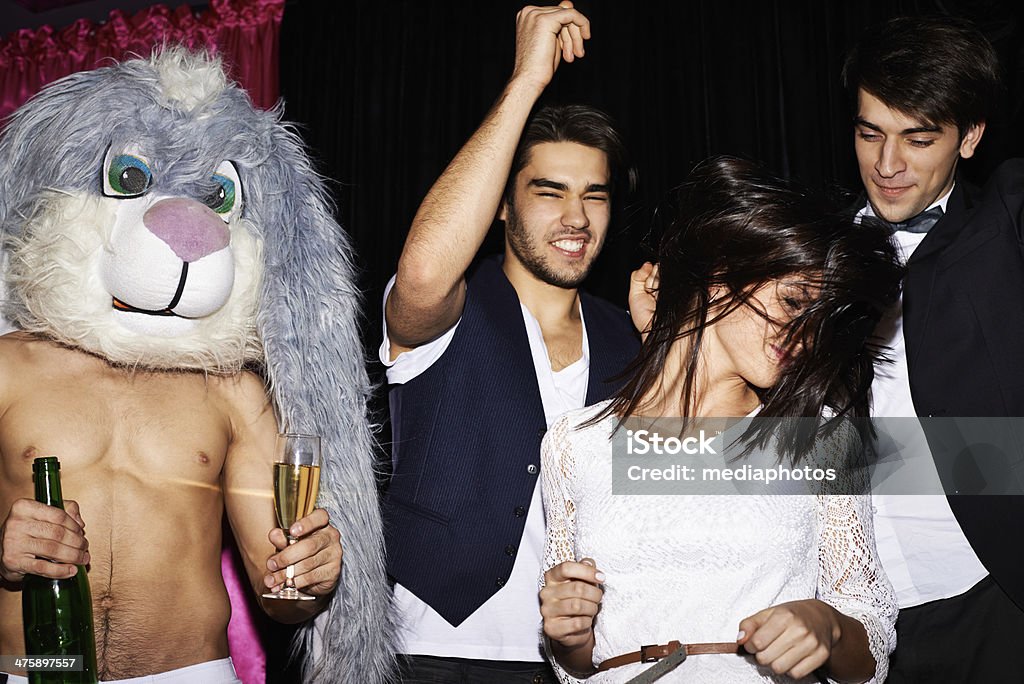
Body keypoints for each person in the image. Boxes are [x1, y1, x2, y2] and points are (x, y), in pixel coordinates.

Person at [0, 50, 380, 683]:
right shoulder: (11, 368)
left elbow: (282, 597)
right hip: (39, 668)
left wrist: (310, 575)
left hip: (191, 673)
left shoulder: (233, 391)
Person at [539, 156, 903, 683]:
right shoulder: (575, 445)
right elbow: (577, 669)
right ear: (719, 273)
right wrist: (569, 637)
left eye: (816, 320)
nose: (803, 336)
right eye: (793, 300)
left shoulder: (821, 439)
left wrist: (829, 626)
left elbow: (873, 646)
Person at [380, 2, 639, 681]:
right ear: (501, 200)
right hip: (433, 650)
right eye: (549, 192)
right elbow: (424, 273)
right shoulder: (449, 309)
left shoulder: (631, 336)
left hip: (583, 661)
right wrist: (526, 81)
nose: (576, 217)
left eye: (596, 195)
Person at [842, 16, 1024, 681]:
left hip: (989, 595)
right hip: (846, 614)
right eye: (870, 134)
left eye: (918, 139)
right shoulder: (805, 253)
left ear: (969, 137)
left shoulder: (1005, 229)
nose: (888, 166)